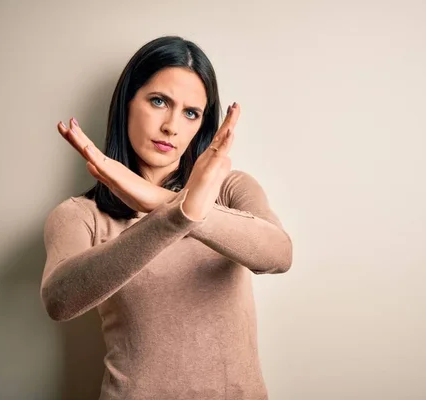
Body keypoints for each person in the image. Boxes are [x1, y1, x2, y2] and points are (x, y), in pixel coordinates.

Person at [40, 35, 293, 399]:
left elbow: (279, 255)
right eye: (159, 101)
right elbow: (59, 301)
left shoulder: (230, 189)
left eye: (191, 113)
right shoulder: (81, 215)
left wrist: (170, 203)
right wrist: (174, 216)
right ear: (127, 102)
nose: (172, 126)